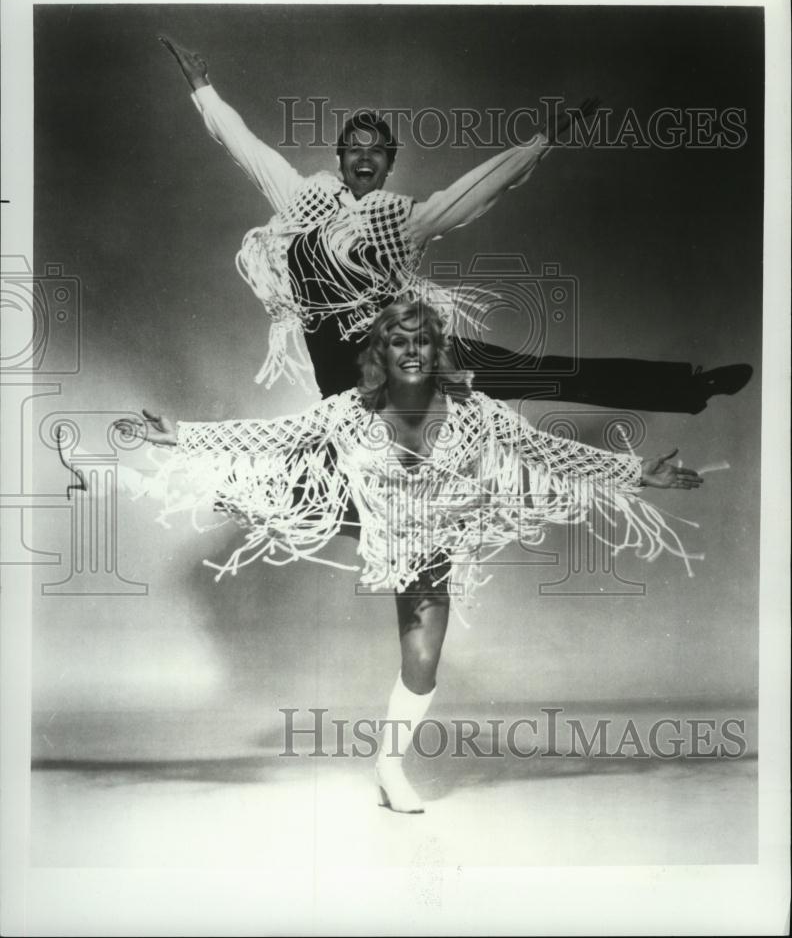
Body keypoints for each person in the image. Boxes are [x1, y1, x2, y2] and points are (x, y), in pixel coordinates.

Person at [112, 300, 703, 814]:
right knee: (258, 492)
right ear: (381, 353)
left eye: (423, 341)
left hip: (423, 538)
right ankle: (128, 479)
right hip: (356, 504)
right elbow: (276, 433)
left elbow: (547, 451)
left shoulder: (477, 413)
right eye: (399, 341)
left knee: (422, 660)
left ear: (437, 350)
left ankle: (390, 768)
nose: (413, 351)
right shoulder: (347, 408)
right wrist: (183, 434)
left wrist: (636, 471)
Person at [157, 35, 751, 413]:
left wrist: (544, 141)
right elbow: (248, 148)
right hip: (345, 372)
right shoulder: (300, 199)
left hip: (414, 350)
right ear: (339, 157)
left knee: (538, 374)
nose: (364, 158)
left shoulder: (404, 220)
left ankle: (688, 386)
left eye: (378, 152)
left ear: (389, 164)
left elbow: (483, 185)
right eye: (354, 149)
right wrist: (203, 88)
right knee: (347, 450)